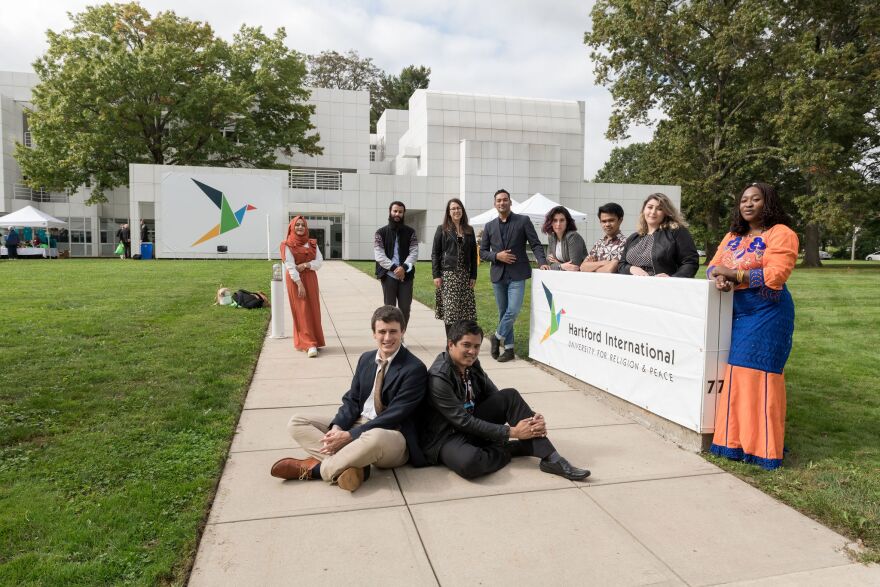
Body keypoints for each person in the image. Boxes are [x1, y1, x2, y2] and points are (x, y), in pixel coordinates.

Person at [271, 306, 428, 492]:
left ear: (403, 331)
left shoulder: (414, 368)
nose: (387, 338)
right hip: (359, 423)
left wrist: (349, 436)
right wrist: (338, 427)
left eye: (393, 331)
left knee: (374, 437)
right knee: (297, 422)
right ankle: (357, 465)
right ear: (374, 334)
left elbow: (395, 415)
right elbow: (352, 399)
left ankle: (316, 469)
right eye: (382, 332)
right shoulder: (366, 359)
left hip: (391, 435)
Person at [420, 320, 590, 481]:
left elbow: (495, 395)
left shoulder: (471, 363)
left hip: (472, 422)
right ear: (451, 344)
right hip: (447, 435)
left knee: (510, 396)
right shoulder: (439, 377)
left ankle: (551, 458)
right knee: (469, 463)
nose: (472, 351)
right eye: (466, 345)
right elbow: (462, 421)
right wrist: (512, 432)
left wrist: (532, 419)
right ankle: (512, 448)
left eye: (476, 346)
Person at [706, 183, 798, 470]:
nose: (748, 204)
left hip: (768, 312)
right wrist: (719, 278)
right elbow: (713, 265)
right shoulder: (734, 235)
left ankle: (763, 447)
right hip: (736, 311)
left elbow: (776, 274)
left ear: (767, 203)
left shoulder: (781, 233)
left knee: (758, 376)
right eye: (744, 200)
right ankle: (734, 442)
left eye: (755, 199)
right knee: (735, 373)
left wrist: (735, 274)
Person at [479, 189, 549, 362]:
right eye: (498, 200)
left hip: (517, 274)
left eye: (505, 200)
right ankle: (509, 349)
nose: (502, 203)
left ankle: (496, 337)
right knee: (503, 312)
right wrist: (497, 256)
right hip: (498, 275)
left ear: (510, 202)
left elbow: (536, 244)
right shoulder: (489, 226)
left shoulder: (523, 221)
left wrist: (542, 261)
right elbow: (482, 252)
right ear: (495, 204)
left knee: (513, 310)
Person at [618, 193, 699, 278]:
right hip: (633, 286)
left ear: (666, 213)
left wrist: (672, 279)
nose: (653, 212)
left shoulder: (677, 232)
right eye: (650, 207)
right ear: (643, 210)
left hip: (664, 287)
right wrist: (631, 268)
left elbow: (690, 262)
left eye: (659, 209)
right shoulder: (633, 237)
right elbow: (621, 264)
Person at [432, 198, 478, 336]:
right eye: (453, 209)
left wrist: (473, 276)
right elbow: (435, 253)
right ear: (449, 212)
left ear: (462, 211)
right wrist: (436, 275)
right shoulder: (442, 229)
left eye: (458, 208)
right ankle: (450, 344)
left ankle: (462, 342)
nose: (456, 211)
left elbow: (473, 255)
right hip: (448, 276)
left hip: (464, 276)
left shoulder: (469, 230)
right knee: (451, 313)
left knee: (465, 312)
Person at [280, 216, 325, 358]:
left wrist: (306, 265)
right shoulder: (287, 244)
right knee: (302, 310)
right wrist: (299, 284)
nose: (300, 227)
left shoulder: (312, 243)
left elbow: (319, 262)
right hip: (296, 281)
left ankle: (315, 340)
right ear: (292, 227)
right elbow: (290, 266)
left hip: (311, 277)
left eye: (303, 225)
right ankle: (309, 344)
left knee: (313, 309)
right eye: (297, 225)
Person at [374, 201, 418, 328]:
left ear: (404, 213)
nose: (397, 214)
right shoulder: (380, 233)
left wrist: (403, 268)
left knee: (405, 308)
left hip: (406, 276)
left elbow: (414, 253)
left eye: (400, 211)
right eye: (395, 211)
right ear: (390, 212)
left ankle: (401, 335)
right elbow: (379, 255)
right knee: (389, 310)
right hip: (388, 276)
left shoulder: (411, 232)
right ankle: (392, 334)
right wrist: (395, 268)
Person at [580, 202, 627, 273]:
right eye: (604, 221)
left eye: (611, 220)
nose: (607, 224)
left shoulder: (625, 243)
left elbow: (610, 269)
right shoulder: (599, 243)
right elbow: (583, 267)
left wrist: (592, 267)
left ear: (620, 220)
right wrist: (604, 263)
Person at [542, 205, 587, 271]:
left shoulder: (573, 237)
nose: (558, 224)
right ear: (550, 222)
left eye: (562, 220)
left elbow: (574, 267)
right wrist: (561, 266)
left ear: (567, 222)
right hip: (562, 277)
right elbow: (548, 263)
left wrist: (558, 264)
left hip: (580, 276)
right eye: (555, 220)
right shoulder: (551, 237)